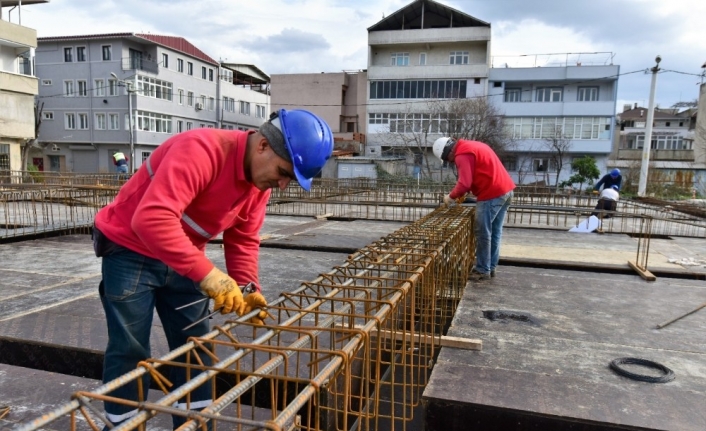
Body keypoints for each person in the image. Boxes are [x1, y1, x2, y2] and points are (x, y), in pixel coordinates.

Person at [92, 109, 333, 429]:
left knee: (196, 346)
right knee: (131, 347)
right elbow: (152, 219)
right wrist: (209, 276)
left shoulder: (258, 186)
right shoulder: (201, 150)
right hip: (130, 248)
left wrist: (248, 288)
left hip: (182, 252)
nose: (283, 183)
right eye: (284, 172)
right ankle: (123, 424)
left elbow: (244, 239)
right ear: (263, 146)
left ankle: (194, 422)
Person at [433, 137, 516, 281]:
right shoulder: (473, 145)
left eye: (448, 160)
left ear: (448, 153)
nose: (451, 162)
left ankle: (483, 269)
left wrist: (450, 197)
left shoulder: (462, 154)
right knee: (495, 232)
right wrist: (460, 195)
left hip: (492, 193)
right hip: (506, 190)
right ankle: (490, 266)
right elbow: (472, 179)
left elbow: (464, 183)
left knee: (482, 232)